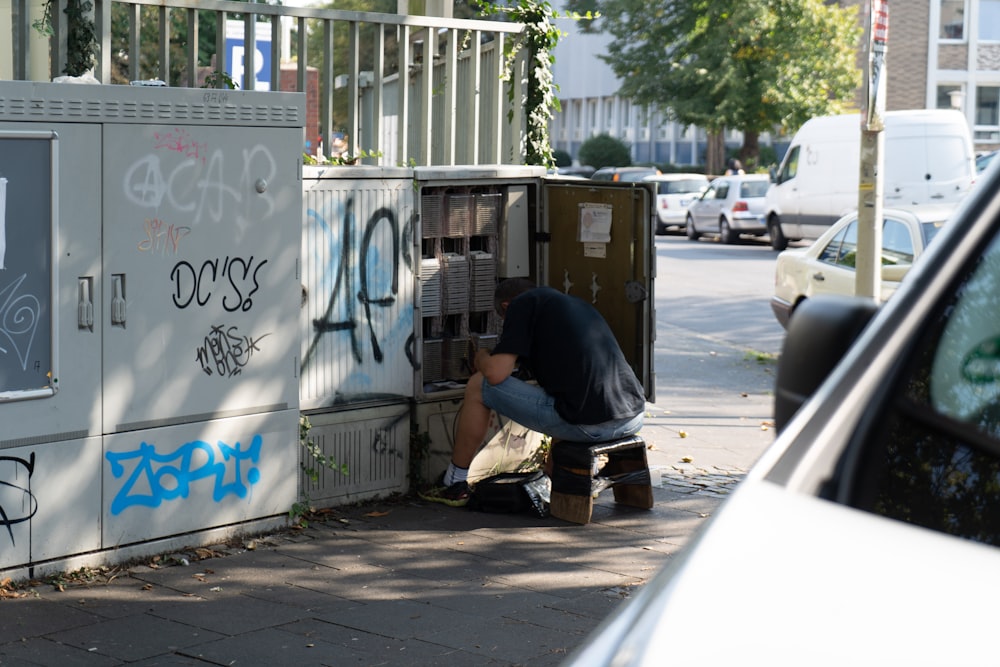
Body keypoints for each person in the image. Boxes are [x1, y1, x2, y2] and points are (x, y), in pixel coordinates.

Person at [419, 278, 646, 506]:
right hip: (633, 417)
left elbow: (496, 374)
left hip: (590, 427)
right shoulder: (575, 304)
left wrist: (481, 356)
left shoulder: (522, 305)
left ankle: (454, 481)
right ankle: (569, 476)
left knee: (479, 384)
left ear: (507, 307)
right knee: (567, 396)